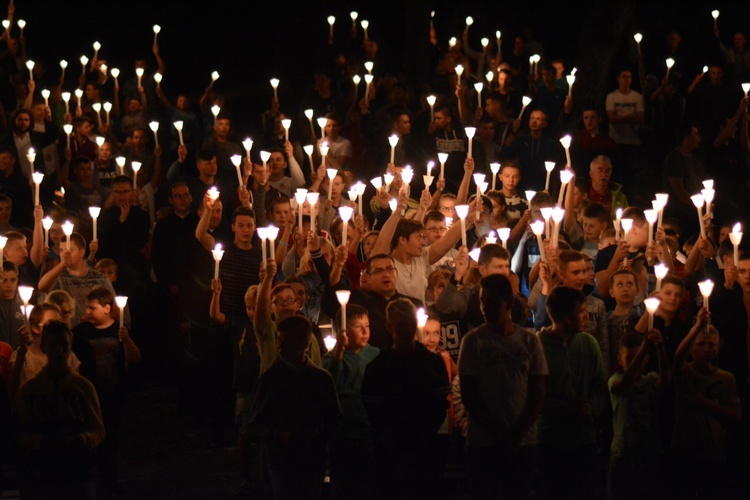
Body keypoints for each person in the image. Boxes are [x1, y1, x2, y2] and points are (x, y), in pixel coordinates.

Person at [458, 273, 547, 500]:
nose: (485, 308)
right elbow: (469, 395)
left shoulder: (529, 341)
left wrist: (515, 435)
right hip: (483, 441)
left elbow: (538, 392)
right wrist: (499, 436)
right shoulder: (473, 341)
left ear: (508, 303)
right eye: (482, 302)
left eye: (492, 303)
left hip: (523, 440)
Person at [360, 298, 450, 500]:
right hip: (391, 453)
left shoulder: (432, 362)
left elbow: (438, 409)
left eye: (409, 324)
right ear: (389, 327)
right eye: (402, 325)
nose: (406, 330)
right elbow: (374, 414)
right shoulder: (378, 367)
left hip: (423, 451)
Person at [248, 315, 342, 500]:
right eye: (279, 340)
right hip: (281, 460)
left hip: (312, 459)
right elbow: (256, 422)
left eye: (287, 342)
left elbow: (336, 419)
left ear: (305, 344)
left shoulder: (321, 379)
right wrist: (278, 434)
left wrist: (318, 434)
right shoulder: (269, 379)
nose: (281, 347)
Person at [14, 320, 106, 500]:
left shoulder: (83, 387)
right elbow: (19, 433)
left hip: (77, 471)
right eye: (53, 345)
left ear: (71, 346)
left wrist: (81, 439)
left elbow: (99, 430)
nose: (59, 351)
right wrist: (43, 442)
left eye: (64, 345)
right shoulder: (30, 390)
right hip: (43, 472)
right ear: (44, 347)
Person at [536, 285, 607, 500]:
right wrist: (565, 408)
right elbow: (534, 395)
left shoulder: (589, 343)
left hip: (584, 440)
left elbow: (599, 386)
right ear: (567, 318)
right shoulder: (538, 346)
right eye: (581, 312)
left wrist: (591, 406)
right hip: (549, 441)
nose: (586, 316)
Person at [72, 286, 141, 495]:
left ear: (107, 308)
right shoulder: (80, 333)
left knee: (111, 440)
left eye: (92, 308)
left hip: (114, 395)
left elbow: (135, 359)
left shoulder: (119, 331)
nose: (88, 311)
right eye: (87, 307)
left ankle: (108, 481)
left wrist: (126, 340)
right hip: (89, 397)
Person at [670, 308, 742, 499]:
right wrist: (696, 328)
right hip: (686, 451)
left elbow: (736, 414)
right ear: (692, 348)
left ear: (718, 348)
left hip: (714, 453)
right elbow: (677, 359)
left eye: (711, 345)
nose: (706, 350)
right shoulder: (685, 373)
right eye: (700, 345)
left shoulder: (726, 378)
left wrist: (705, 404)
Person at [322, 304, 379, 500]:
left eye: (367, 325)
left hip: (369, 431)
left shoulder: (375, 355)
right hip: (343, 433)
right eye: (357, 326)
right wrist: (338, 353)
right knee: (344, 484)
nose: (365, 331)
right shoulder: (332, 357)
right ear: (343, 330)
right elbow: (329, 384)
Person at [608, 331, 671, 500]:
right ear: (619, 360)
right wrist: (644, 348)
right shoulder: (614, 380)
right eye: (629, 358)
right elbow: (624, 386)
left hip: (649, 454)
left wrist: (660, 348)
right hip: (623, 455)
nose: (633, 361)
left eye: (639, 357)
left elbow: (665, 381)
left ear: (646, 359)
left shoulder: (649, 379)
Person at [37, 232, 118, 328]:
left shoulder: (99, 278)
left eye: (70, 250)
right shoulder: (58, 276)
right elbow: (42, 287)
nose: (64, 254)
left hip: (93, 333)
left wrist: (95, 318)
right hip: (66, 332)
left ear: (81, 252)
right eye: (61, 250)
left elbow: (115, 309)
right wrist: (62, 265)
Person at [605, 68, 644, 194]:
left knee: (630, 176)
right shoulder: (612, 97)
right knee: (617, 174)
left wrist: (620, 118)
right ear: (618, 78)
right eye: (624, 76)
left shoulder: (637, 97)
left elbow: (641, 118)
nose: (627, 80)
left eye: (629, 77)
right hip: (616, 140)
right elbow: (612, 119)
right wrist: (630, 116)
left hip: (633, 141)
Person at [606, 269, 645, 371]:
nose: (625, 289)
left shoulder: (640, 315)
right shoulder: (606, 320)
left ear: (637, 290)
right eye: (620, 285)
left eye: (629, 284)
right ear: (611, 292)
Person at [587, 155, 628, 220]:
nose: (604, 174)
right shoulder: (582, 194)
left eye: (607, 171)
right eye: (600, 170)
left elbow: (627, 220)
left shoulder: (620, 198)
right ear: (591, 174)